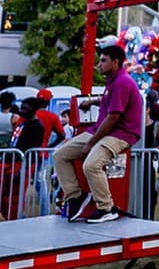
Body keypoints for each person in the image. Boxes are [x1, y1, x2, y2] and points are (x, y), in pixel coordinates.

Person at [54, 44, 144, 223]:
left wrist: (91, 142)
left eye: (103, 60)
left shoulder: (122, 82)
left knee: (91, 165)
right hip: (101, 131)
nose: (99, 64)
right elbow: (109, 100)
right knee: (60, 155)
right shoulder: (113, 82)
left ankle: (106, 208)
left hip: (120, 134)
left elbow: (113, 117)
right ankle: (75, 196)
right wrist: (93, 101)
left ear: (116, 62)